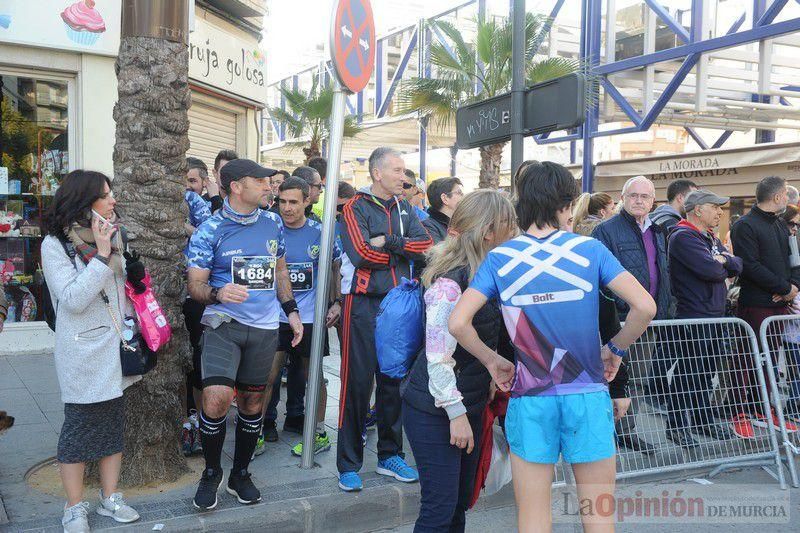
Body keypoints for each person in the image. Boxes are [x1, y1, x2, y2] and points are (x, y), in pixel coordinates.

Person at [449, 161, 655, 532]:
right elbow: (645, 307)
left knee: (532, 519)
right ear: (568, 204)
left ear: (521, 203)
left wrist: (493, 360)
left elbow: (458, 323)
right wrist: (616, 350)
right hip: (587, 395)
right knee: (599, 518)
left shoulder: (500, 258)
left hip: (531, 398)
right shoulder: (590, 250)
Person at [186, 158, 304, 510]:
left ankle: (240, 474)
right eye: (261, 181)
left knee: (254, 403)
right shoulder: (210, 229)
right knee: (217, 398)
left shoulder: (272, 222)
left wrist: (292, 312)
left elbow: (280, 271)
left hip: (265, 328)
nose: (270, 187)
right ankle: (211, 473)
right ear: (236, 186)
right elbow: (195, 285)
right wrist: (219, 293)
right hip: (224, 325)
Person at [401, 189, 517, 532]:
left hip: (471, 402)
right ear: (487, 231)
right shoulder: (450, 283)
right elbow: (438, 358)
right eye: (509, 223)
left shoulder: (485, 273)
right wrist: (456, 415)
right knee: (440, 510)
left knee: (459, 505)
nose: (516, 230)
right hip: (435, 408)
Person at [42, 170, 141, 532]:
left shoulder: (115, 235)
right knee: (79, 431)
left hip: (115, 344)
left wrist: (134, 273)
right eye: (105, 195)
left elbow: (121, 295)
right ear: (84, 204)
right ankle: (74, 507)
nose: (113, 200)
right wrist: (102, 256)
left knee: (113, 427)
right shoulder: (56, 245)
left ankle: (109, 499)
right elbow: (72, 300)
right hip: (82, 352)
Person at [337, 147, 433, 492]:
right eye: (397, 170)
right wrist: (401, 252)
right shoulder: (354, 207)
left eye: (404, 170)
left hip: (401, 307)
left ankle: (390, 455)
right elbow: (361, 253)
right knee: (356, 385)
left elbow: (428, 246)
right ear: (377, 173)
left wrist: (391, 242)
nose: (403, 177)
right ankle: (348, 464)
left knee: (394, 382)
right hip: (362, 306)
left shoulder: (406, 207)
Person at [592, 175, 674, 454]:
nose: (639, 201)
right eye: (633, 196)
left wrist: (664, 310)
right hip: (621, 321)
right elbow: (600, 277)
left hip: (649, 321)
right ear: (623, 199)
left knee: (638, 378)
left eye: (645, 196)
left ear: (653, 201)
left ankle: (626, 430)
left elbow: (663, 274)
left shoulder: (659, 231)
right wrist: (617, 311)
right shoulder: (606, 230)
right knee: (611, 376)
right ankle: (603, 431)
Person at [264, 177, 342, 457]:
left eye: (293, 202)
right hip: (275, 317)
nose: (287, 208)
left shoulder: (321, 232)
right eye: (282, 201)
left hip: (311, 317)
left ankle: (319, 431)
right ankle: (260, 428)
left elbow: (335, 268)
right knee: (268, 374)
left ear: (307, 201)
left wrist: (337, 303)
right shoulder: (269, 229)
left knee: (314, 375)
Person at [666, 190, 743, 447]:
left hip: (714, 314)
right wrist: (722, 261)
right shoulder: (683, 236)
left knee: (706, 372)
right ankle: (676, 426)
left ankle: (702, 418)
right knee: (689, 372)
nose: (720, 212)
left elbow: (737, 264)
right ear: (698, 210)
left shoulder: (707, 236)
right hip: (694, 315)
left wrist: (723, 259)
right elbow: (712, 270)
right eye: (715, 207)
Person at [730, 176, 800, 437]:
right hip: (756, 304)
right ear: (779, 197)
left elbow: (795, 260)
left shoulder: (782, 226)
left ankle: (762, 407)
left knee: (770, 357)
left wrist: (792, 287)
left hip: (780, 304)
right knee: (747, 358)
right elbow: (749, 265)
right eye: (786, 194)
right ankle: (738, 411)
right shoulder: (745, 226)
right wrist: (784, 288)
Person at [181, 157, 214, 457]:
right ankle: (186, 421)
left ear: (204, 182)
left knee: (198, 361)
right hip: (171, 296)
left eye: (192, 180)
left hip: (196, 297)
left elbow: (206, 237)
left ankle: (200, 422)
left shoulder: (204, 211)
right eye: (183, 180)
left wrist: (184, 227)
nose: (186, 187)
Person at [780, 205, 800, 423]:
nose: (794, 229)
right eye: (792, 223)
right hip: (790, 322)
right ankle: (792, 408)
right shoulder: (786, 246)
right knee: (795, 370)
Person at [422, 177, 464, 244]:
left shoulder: (460, 224)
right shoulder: (428, 227)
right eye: (459, 193)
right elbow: (437, 253)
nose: (463, 196)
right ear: (445, 198)